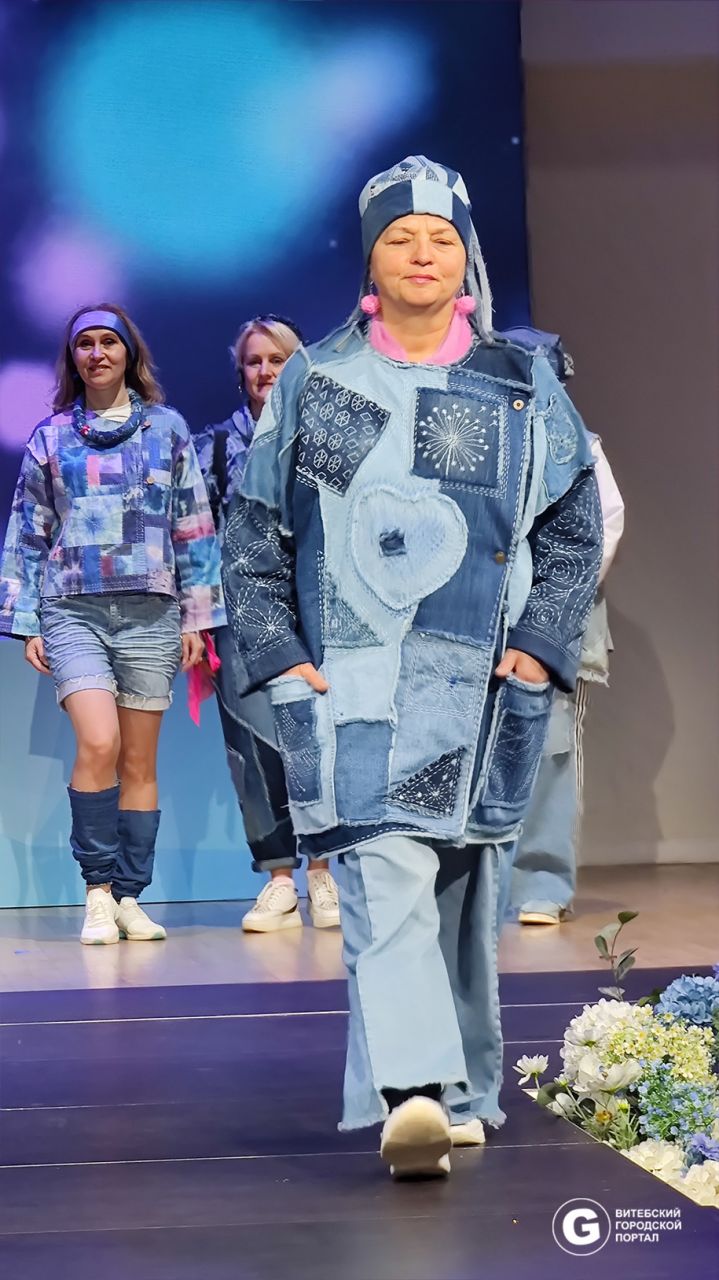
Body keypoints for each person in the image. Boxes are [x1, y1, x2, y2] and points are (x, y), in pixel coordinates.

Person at [222, 156, 603, 1179]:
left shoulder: (515, 382)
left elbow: (571, 526)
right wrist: (282, 656)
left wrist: (540, 645)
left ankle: (462, 1091)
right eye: (400, 237)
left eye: (439, 237)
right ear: (371, 258)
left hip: (480, 683)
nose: (421, 253)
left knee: (461, 893)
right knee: (383, 874)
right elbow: (254, 531)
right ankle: (413, 1092)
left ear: (464, 254)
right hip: (356, 683)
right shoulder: (322, 381)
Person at [0, 304, 224, 944]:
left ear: (129, 353)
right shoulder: (50, 437)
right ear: (72, 358)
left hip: (151, 613)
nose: (97, 353)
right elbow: (28, 533)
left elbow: (194, 526)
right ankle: (97, 891)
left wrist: (197, 618)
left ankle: (130, 895)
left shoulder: (167, 429)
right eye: (85, 344)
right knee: (98, 744)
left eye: (108, 342)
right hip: (74, 609)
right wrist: (26, 620)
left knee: (139, 761)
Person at [195, 316, 340, 932]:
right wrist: (199, 618)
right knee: (252, 749)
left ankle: (323, 872)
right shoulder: (213, 448)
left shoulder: (328, 439)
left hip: (317, 609)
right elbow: (193, 539)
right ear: (241, 374)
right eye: (255, 362)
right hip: (239, 617)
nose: (265, 372)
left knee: (318, 740)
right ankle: (279, 877)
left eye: (277, 360)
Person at [502, 329, 625, 925]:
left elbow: (603, 530)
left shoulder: (582, 446)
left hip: (555, 625)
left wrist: (548, 604)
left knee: (550, 754)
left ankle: (543, 884)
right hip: (483, 624)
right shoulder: (477, 440)